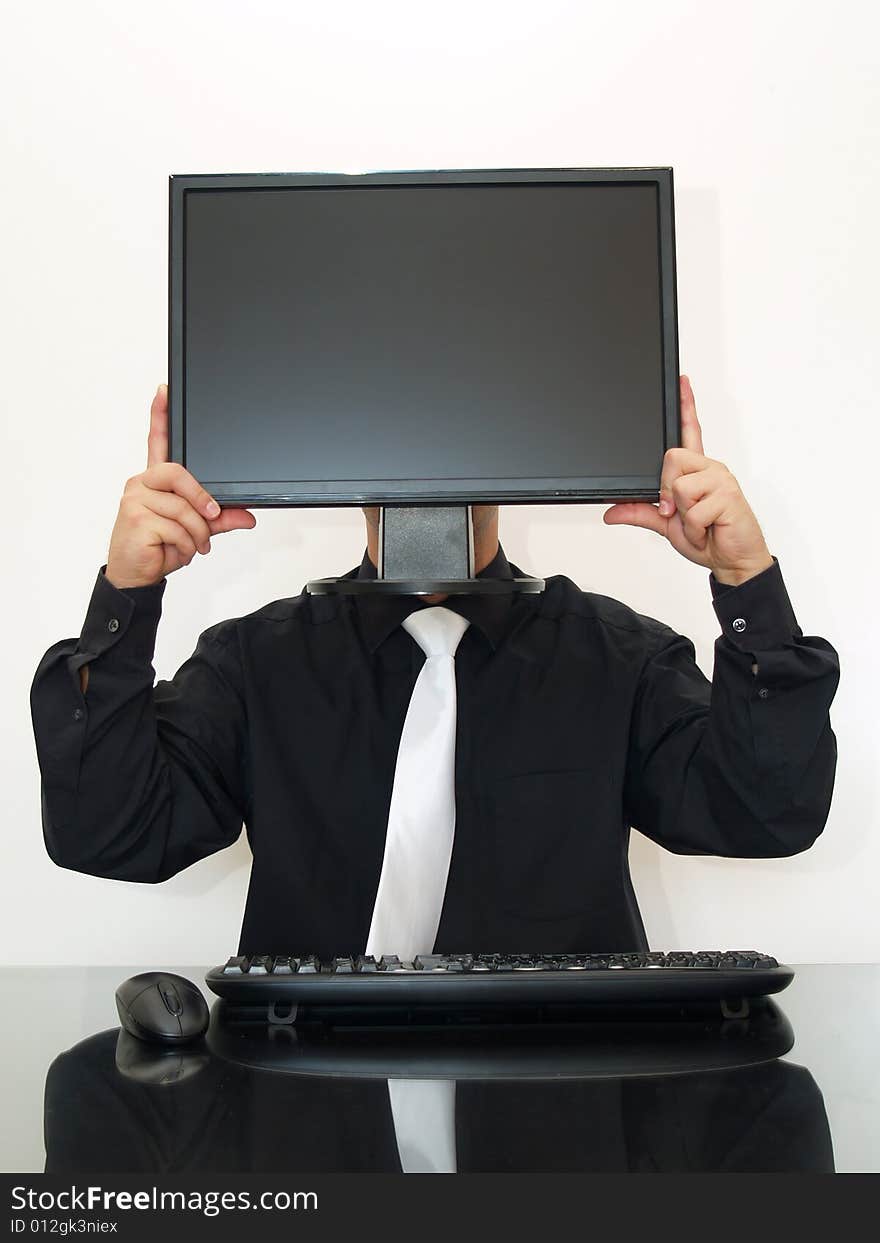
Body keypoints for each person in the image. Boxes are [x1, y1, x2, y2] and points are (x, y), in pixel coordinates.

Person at [30, 377, 840, 956]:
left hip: (560, 1132)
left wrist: (747, 585)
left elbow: (765, 812)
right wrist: (126, 598)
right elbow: (109, 832)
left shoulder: (617, 657)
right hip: (314, 1123)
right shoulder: (256, 662)